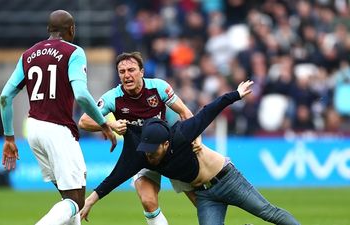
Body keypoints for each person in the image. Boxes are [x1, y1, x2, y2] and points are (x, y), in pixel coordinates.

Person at [81, 80, 301, 225]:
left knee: (270, 213)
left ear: (166, 144)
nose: (148, 155)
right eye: (146, 149)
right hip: (205, 195)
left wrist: (236, 94)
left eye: (152, 150)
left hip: (227, 180)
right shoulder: (141, 155)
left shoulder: (182, 134)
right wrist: (90, 201)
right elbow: (115, 178)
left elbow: (208, 111)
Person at [0, 10, 117, 225]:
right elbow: (81, 94)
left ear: (48, 30)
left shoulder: (28, 55)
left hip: (33, 128)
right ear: (72, 30)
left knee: (69, 196)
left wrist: (9, 137)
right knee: (76, 201)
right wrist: (103, 123)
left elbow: (5, 96)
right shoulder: (74, 52)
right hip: (58, 129)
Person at [78, 51, 199, 225]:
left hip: (168, 150)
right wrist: (110, 125)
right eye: (122, 72)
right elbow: (84, 121)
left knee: (197, 198)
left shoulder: (158, 87)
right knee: (148, 201)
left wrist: (195, 139)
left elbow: (185, 112)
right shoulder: (113, 97)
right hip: (142, 156)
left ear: (142, 71)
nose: (127, 75)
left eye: (131, 70)